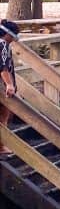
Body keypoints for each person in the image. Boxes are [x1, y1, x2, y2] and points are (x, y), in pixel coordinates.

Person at [0, 20, 19, 155]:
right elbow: (4, 68)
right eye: (14, 35)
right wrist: (9, 84)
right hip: (2, 88)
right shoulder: (3, 45)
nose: (14, 38)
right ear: (8, 34)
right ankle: (1, 147)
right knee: (3, 118)